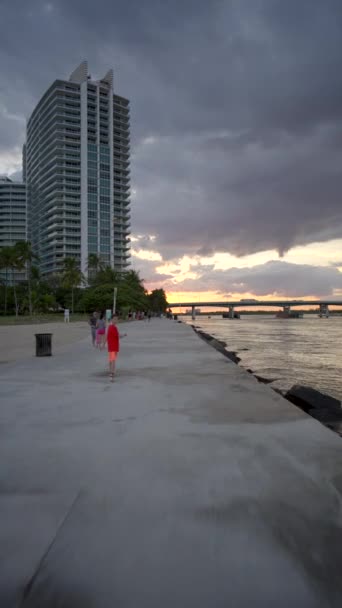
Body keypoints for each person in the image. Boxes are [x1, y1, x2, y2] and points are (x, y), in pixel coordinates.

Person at [106, 315, 127, 381]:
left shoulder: (110, 327)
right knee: (113, 360)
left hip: (111, 346)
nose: (116, 320)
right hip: (113, 346)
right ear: (111, 320)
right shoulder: (113, 327)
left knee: (111, 360)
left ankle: (111, 372)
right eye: (114, 319)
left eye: (117, 319)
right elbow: (118, 336)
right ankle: (112, 373)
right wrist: (123, 335)